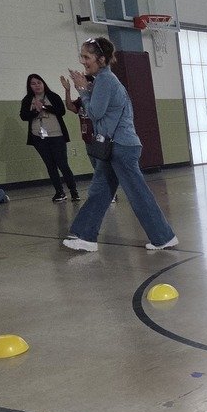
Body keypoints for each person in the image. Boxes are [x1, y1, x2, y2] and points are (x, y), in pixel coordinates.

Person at [64, 36, 177, 252]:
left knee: (137, 194)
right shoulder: (103, 80)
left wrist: (83, 90)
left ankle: (164, 237)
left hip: (121, 147)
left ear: (101, 59)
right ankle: (85, 236)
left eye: (87, 57)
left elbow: (95, 113)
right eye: (81, 56)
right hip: (115, 146)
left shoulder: (106, 80)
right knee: (100, 191)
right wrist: (86, 89)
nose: (82, 61)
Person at [19, 73, 80, 203]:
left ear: (43, 83)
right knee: (50, 165)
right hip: (39, 137)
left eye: (39, 82)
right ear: (29, 86)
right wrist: (35, 110)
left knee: (63, 164)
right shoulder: (27, 99)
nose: (37, 86)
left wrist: (44, 107)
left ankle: (74, 191)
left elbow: (61, 111)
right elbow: (23, 116)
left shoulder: (52, 96)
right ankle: (59, 192)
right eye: (33, 84)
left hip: (56, 135)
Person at [60, 73, 117, 203]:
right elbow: (70, 107)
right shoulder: (81, 100)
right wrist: (67, 90)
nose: (80, 85)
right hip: (88, 138)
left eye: (82, 82)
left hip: (100, 138)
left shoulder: (98, 99)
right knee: (96, 168)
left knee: (103, 167)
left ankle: (110, 193)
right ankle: (105, 192)